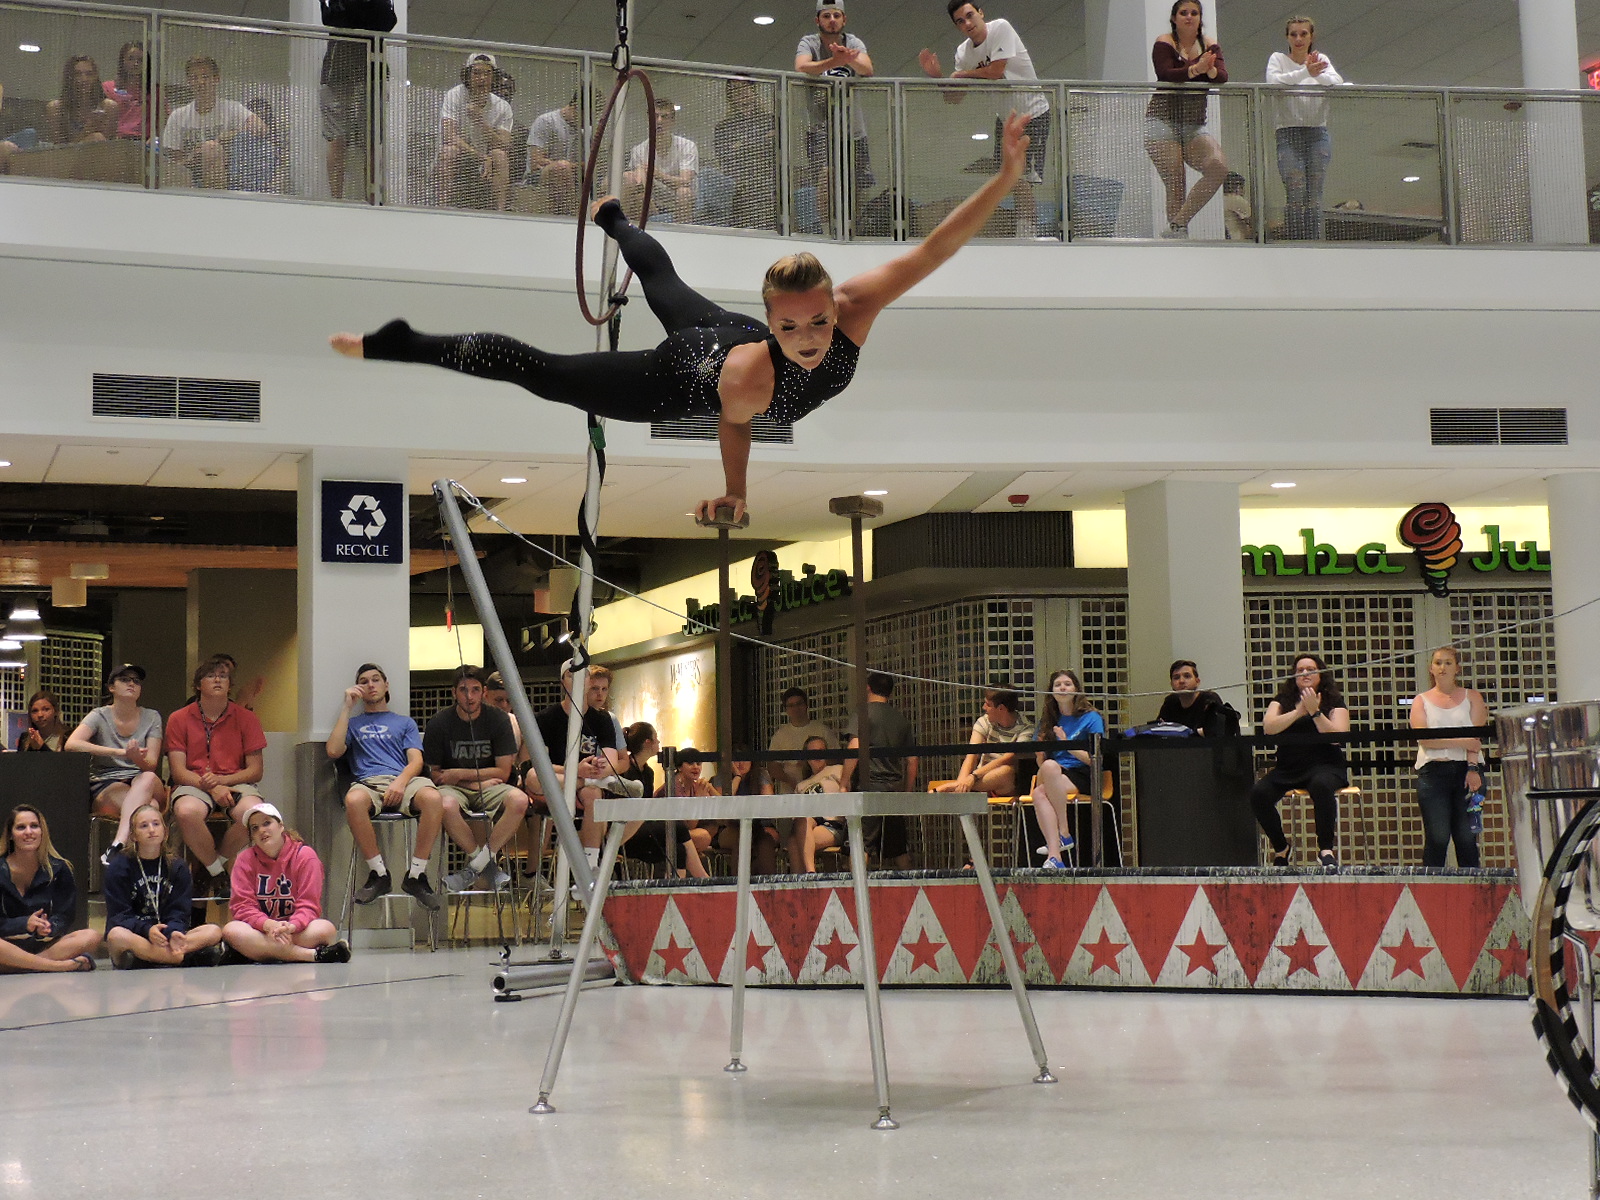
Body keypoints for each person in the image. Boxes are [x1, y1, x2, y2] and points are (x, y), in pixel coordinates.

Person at [330, 110, 1035, 524]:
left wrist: (1004, 178)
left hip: (724, 337)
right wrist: (735, 490)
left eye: (815, 323)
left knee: (664, 279)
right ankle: (405, 343)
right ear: (770, 320)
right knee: (544, 373)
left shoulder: (855, 305)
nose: (811, 340)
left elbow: (937, 246)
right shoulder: (756, 378)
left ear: (832, 304)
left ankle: (611, 218)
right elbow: (735, 422)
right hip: (678, 376)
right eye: (790, 328)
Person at [919, 2, 1051, 238]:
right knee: (1010, 177)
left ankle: (1027, 236)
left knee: (1022, 178)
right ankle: (1024, 231)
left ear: (981, 13)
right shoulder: (963, 53)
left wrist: (961, 74)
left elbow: (996, 71)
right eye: (960, 21)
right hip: (1006, 119)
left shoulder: (1001, 28)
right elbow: (955, 98)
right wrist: (938, 77)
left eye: (970, 16)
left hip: (1034, 113)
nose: (968, 23)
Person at [325, 663, 444, 910]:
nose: (371, 684)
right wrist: (347, 707)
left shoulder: (404, 722)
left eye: (376, 679)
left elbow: (416, 761)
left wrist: (400, 783)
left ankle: (416, 876)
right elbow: (333, 750)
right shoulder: (354, 724)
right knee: (353, 800)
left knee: (433, 798)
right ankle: (379, 874)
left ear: (386, 685)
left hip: (404, 780)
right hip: (368, 782)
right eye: (364, 681)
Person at [166, 654, 270, 898]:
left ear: (230, 685)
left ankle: (215, 864)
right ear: (198, 684)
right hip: (193, 782)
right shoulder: (178, 718)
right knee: (186, 811)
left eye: (223, 676)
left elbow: (256, 770)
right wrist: (211, 787)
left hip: (236, 782)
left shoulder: (247, 718)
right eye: (211, 675)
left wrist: (221, 782)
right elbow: (178, 771)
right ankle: (217, 872)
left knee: (258, 814)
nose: (218, 680)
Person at [423, 665, 531, 893]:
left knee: (520, 801)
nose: (469, 696)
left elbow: (503, 771)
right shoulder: (439, 723)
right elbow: (434, 774)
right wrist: (471, 783)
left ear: (483, 692)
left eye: (474, 690)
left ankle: (475, 867)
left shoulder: (499, 720)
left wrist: (461, 774)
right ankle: (487, 866)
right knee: (444, 804)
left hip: (487, 785)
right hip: (455, 788)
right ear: (454, 693)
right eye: (463, 690)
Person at [1252, 653, 1350, 869]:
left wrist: (1315, 712)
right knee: (1259, 794)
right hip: (1288, 768)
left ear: (1321, 674)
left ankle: (1325, 849)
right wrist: (1299, 712)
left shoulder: (1334, 700)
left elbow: (1339, 737)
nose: (1305, 673)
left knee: (1321, 785)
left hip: (1325, 767)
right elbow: (1269, 728)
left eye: (1310, 669)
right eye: (1300, 670)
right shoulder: (1282, 700)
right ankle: (1281, 848)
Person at [223, 803, 350, 963]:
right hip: (261, 929)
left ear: (281, 826)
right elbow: (242, 906)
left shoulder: (305, 856)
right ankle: (312, 956)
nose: (261, 830)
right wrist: (268, 925)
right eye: (254, 828)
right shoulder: (244, 859)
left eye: (267, 823)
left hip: (294, 930)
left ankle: (256, 952)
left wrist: (291, 926)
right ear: (252, 837)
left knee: (326, 930)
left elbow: (309, 905)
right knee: (231, 930)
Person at [103, 802, 225, 968]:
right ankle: (179, 958)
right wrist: (147, 930)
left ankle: (147, 959)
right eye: (144, 826)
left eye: (156, 824)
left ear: (165, 832)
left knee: (213, 931)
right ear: (133, 836)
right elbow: (119, 916)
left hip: (166, 938)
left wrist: (172, 932)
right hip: (137, 935)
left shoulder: (178, 867)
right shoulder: (119, 867)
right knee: (116, 936)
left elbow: (179, 912)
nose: (151, 830)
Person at [64, 663, 165, 863]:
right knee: (149, 808)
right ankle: (145, 867)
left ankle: (118, 843)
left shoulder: (152, 716)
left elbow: (151, 764)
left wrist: (136, 758)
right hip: (108, 782)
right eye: (125, 680)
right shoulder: (99, 715)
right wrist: (119, 752)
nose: (132, 684)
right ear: (111, 687)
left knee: (147, 777)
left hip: (144, 779)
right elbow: (71, 744)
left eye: (136, 681)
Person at [1145, 0, 1228, 239]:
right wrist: (1196, 68)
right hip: (1162, 120)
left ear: (1200, 18)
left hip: (1194, 123)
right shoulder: (1165, 42)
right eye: (1183, 13)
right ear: (1174, 18)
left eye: (1194, 13)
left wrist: (1208, 69)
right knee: (1175, 176)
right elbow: (1166, 73)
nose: (1189, 17)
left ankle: (1177, 224)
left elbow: (1221, 76)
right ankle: (1178, 239)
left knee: (1218, 166)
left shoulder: (1210, 45)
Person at [532, 666, 628, 866]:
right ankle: (534, 870)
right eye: (571, 676)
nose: (577, 681)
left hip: (586, 782)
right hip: (558, 780)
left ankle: (589, 864)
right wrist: (575, 770)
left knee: (593, 793)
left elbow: (613, 761)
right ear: (562, 682)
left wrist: (598, 768)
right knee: (536, 778)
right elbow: (538, 765)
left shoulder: (603, 720)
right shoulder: (546, 718)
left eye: (582, 678)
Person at [795, 1, 875, 229]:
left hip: (854, 130)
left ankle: (854, 229)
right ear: (817, 20)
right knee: (826, 177)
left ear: (844, 19)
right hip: (821, 129)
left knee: (857, 182)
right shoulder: (809, 42)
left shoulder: (853, 42)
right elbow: (801, 67)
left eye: (836, 15)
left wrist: (847, 58)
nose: (832, 20)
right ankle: (827, 228)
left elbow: (867, 69)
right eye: (827, 16)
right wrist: (835, 61)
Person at [1267, 15, 1346, 241]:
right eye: (1294, 34)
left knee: (1314, 192)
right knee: (1295, 189)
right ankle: (1296, 241)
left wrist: (1316, 72)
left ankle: (1313, 241)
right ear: (1287, 37)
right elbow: (1273, 83)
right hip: (1288, 131)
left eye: (1304, 34)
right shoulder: (1278, 59)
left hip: (1317, 132)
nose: (1299, 39)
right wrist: (1306, 72)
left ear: (1312, 36)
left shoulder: (1321, 59)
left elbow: (1336, 81)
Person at [1410, 646, 1488, 869]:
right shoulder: (1420, 700)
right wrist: (1462, 742)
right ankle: (1429, 893)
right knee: (1437, 837)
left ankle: (1473, 893)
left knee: (1466, 838)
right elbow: (1425, 739)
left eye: (1448, 663)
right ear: (1431, 669)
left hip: (1468, 769)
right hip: (1433, 773)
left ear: (1457, 668)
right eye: (1437, 663)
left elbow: (1476, 738)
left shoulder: (1472, 696)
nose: (1442, 667)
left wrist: (1473, 768)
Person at [0, 804, 101, 972]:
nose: (28, 832)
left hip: (43, 946)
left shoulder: (60, 868)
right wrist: (24, 923)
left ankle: (18, 966)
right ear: (10, 834)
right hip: (6, 943)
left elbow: (64, 916)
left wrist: (48, 927)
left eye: (34, 826)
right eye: (20, 827)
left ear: (42, 831)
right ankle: (58, 966)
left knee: (91, 936)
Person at [836, 671, 918, 869]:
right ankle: (912, 889)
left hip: (869, 786)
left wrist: (844, 782)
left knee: (861, 845)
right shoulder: (901, 720)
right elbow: (912, 761)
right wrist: (906, 793)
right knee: (898, 848)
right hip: (894, 789)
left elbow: (854, 747)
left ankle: (857, 893)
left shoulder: (863, 714)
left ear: (868, 688)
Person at [318, 0, 396, 201]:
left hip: (372, 70)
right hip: (337, 68)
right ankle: (336, 198)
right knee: (336, 137)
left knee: (371, 139)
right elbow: (331, 18)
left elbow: (387, 21)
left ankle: (372, 200)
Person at [1032, 670, 1104, 869]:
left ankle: (1056, 852)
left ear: (1076, 690)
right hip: (1055, 773)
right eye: (1058, 685)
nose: (1062, 688)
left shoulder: (1092, 718)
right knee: (1049, 765)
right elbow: (1043, 766)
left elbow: (1094, 760)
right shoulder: (1047, 721)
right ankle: (1061, 843)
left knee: (1039, 794)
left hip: (1081, 772)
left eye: (1067, 684)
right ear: (1051, 692)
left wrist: (1066, 744)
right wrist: (1039, 755)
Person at [616, 722, 706, 878]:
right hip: (626, 831)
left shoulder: (648, 772)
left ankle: (676, 892)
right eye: (656, 738)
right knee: (678, 827)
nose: (658, 742)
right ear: (647, 742)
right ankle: (704, 879)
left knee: (679, 849)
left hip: (644, 827)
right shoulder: (626, 771)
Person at [161, 55, 265, 190]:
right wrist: (194, 157)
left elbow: (261, 127)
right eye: (194, 78)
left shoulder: (231, 108)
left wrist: (227, 137)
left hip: (227, 175)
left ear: (216, 79)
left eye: (205, 77)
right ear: (189, 82)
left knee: (212, 149)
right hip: (190, 178)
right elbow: (174, 162)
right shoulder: (177, 116)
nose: (200, 82)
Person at [439, 51, 512, 212]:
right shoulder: (454, 95)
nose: (482, 79)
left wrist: (481, 122)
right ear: (468, 75)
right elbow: (449, 135)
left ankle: (501, 212)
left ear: (494, 78)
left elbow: (505, 145)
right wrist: (480, 156)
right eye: (477, 73)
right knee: (449, 151)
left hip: (488, 160)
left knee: (499, 155)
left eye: (487, 74)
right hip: (462, 154)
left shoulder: (502, 106)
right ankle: (442, 208)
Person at [711, 76, 777, 229]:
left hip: (767, 180)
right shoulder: (724, 127)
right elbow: (725, 159)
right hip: (739, 183)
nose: (742, 93)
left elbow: (774, 152)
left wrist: (741, 145)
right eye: (736, 90)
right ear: (730, 96)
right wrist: (761, 140)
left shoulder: (771, 120)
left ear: (753, 90)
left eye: (745, 87)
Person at [938, 688, 1030, 798]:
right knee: (966, 783)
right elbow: (972, 754)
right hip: (982, 778)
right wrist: (962, 781)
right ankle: (959, 788)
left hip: (1004, 783)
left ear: (1001, 708)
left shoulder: (1027, 729)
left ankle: (955, 788)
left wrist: (973, 777)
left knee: (1006, 772)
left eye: (988, 704)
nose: (983, 707)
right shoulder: (984, 721)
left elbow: (1006, 759)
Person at [624, 98, 697, 223]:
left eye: (665, 117)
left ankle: (681, 237)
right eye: (655, 116)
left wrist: (658, 175)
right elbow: (638, 185)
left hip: (679, 201)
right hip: (652, 204)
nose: (659, 121)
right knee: (633, 181)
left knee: (684, 192)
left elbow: (685, 182)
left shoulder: (687, 146)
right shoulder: (639, 150)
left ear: (673, 120)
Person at [789, 736, 846, 872]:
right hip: (807, 826)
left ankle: (809, 876)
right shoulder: (801, 785)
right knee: (797, 834)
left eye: (821, 751)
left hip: (833, 825)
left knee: (795, 842)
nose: (818, 755)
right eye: (813, 752)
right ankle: (802, 883)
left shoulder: (838, 770)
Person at [523, 90, 585, 215]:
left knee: (563, 167)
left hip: (575, 179)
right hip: (537, 177)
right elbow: (536, 162)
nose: (589, 122)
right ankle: (569, 216)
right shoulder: (546, 121)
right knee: (561, 168)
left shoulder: (586, 131)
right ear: (575, 107)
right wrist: (570, 166)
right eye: (588, 116)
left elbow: (590, 166)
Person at [768, 687, 837, 793]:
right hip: (790, 792)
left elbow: (836, 758)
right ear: (786, 709)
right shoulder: (780, 735)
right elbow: (772, 766)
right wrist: (789, 780)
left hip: (820, 789)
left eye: (799, 703)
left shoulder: (822, 730)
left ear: (806, 705)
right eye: (791, 705)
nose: (796, 708)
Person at [45, 54, 118, 146]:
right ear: (69, 78)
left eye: (89, 74)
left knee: (98, 137)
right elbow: (59, 150)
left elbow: (107, 146)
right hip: (67, 159)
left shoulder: (108, 107)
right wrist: (88, 128)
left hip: (98, 158)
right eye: (78, 74)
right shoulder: (56, 108)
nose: (84, 79)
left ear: (95, 77)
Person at [1155, 659, 1228, 736]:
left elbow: (1216, 731)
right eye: (1176, 677)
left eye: (1187, 676)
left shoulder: (1210, 699)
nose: (1181, 681)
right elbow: (1159, 729)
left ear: (1197, 681)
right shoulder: (1170, 702)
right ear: (1171, 684)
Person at [103, 42, 151, 141]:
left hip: (143, 142)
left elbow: (164, 122)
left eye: (140, 60)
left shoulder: (153, 91)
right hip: (115, 141)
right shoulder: (108, 88)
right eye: (131, 59)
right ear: (122, 61)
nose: (136, 64)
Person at [1221, 171, 1253, 241]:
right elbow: (1252, 223)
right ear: (1238, 187)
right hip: (1238, 240)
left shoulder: (1220, 200)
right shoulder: (1237, 200)